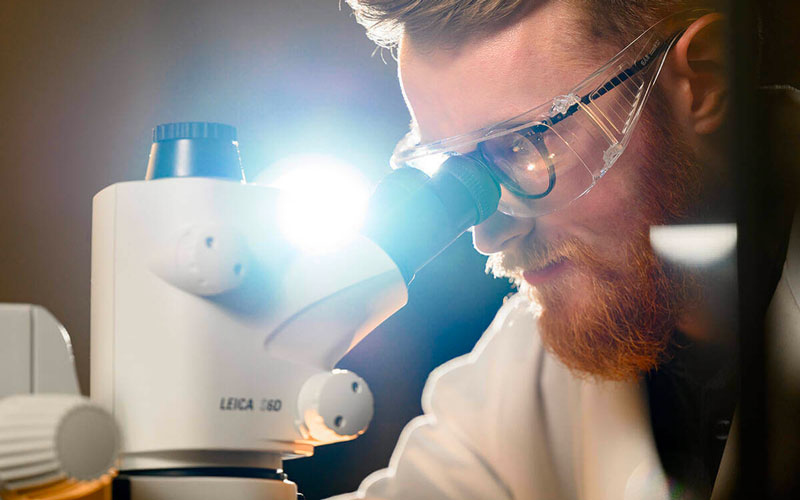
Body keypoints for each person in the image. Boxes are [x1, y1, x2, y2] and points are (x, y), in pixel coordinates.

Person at [330, 1, 795, 498]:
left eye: (522, 145)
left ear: (705, 80)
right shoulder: (530, 369)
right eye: (450, 164)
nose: (486, 237)